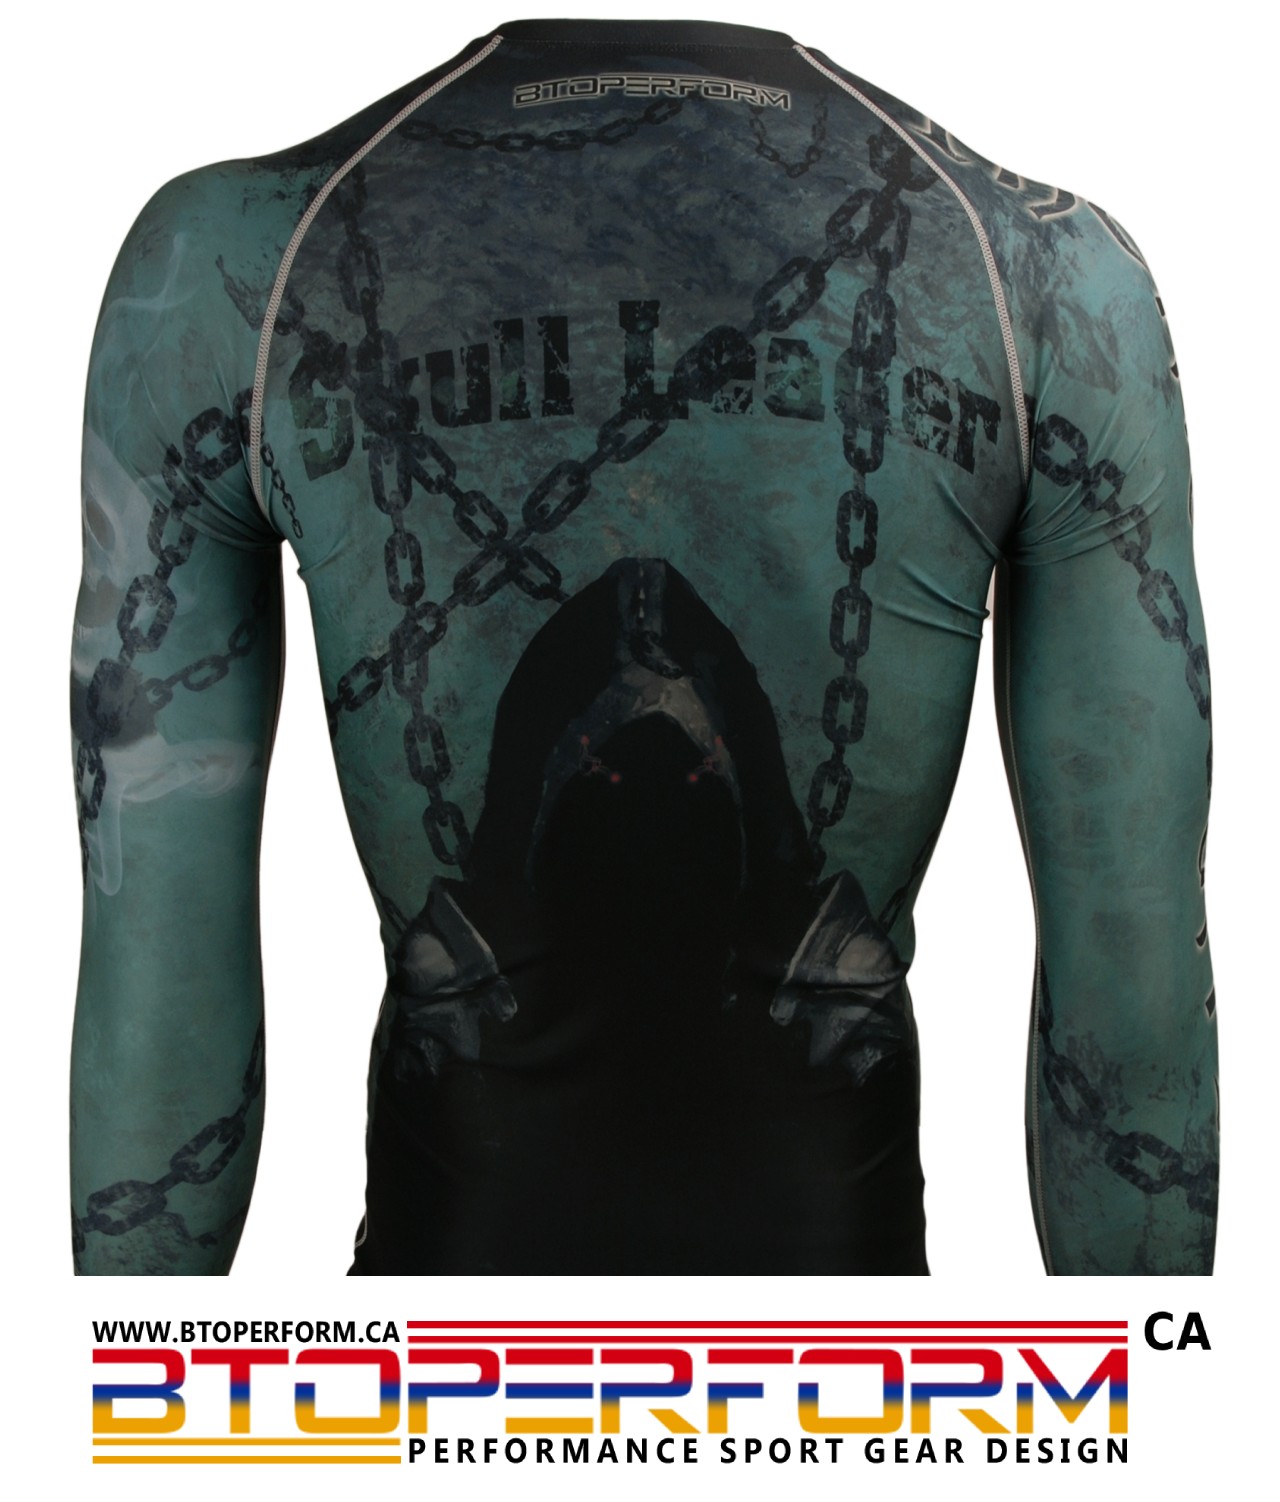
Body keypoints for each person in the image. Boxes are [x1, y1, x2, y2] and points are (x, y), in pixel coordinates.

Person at [69, 16, 1217, 1275]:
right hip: (848, 1377)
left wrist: (126, 1387)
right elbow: (1130, 999)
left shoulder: (232, 263)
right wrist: (1150, 1391)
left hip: (434, 1370)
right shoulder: (1041, 277)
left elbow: (155, 982)